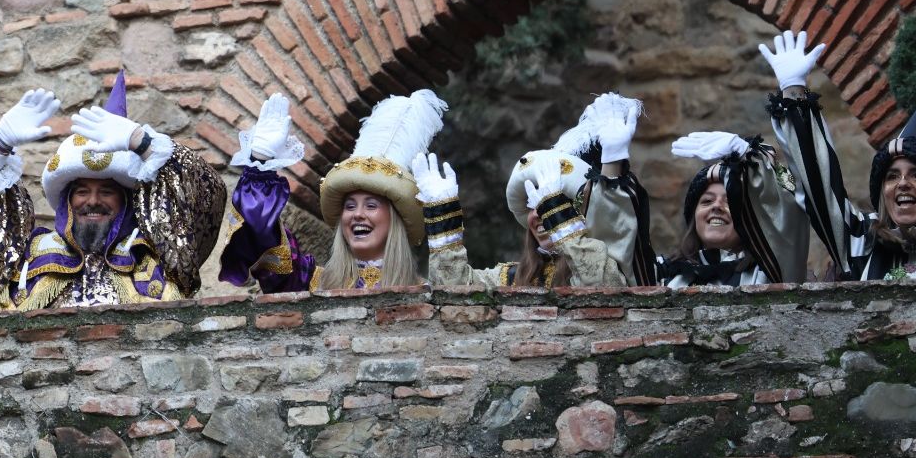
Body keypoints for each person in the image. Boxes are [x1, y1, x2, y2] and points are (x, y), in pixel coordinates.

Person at [0, 73, 225, 310]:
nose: (92, 201)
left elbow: (205, 197)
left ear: (125, 200)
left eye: (106, 191)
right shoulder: (28, 261)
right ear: (67, 201)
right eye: (81, 191)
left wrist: (141, 142)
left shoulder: (160, 254)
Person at [218, 90, 445, 291]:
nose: (357, 214)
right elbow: (261, 239)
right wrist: (260, 165)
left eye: (371, 205)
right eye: (350, 206)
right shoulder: (310, 284)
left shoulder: (426, 293)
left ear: (395, 219)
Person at [419, 94, 641, 288]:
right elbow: (453, 296)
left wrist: (612, 164)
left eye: (553, 201)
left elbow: (602, 290)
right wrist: (443, 222)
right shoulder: (508, 279)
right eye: (531, 204)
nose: (537, 214)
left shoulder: (608, 271)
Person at [765, 28, 916, 280]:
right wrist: (794, 93)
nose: (903, 184)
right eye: (891, 176)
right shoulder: (861, 242)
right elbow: (821, 190)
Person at [654, 131, 810, 287]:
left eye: (729, 201)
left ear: (749, 220)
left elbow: (790, 211)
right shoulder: (666, 274)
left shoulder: (773, 268)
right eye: (707, 201)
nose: (716, 206)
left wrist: (752, 159)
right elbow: (631, 266)